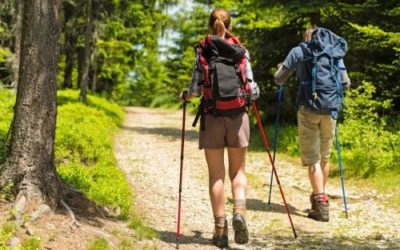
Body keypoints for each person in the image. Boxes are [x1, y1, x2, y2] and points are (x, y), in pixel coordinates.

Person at [180, 7, 259, 248]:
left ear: (210, 25)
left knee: (216, 175)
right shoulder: (241, 51)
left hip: (211, 116)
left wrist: (186, 96)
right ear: (229, 24)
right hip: (238, 117)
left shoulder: (203, 49)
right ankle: (239, 211)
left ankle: (220, 231)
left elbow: (195, 89)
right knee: (238, 172)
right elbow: (252, 89)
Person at [274, 26, 351, 222]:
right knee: (324, 156)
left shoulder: (299, 51)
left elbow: (279, 79)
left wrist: (280, 69)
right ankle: (319, 196)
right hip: (330, 109)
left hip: (308, 108)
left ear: (306, 37)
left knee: (313, 159)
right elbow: (346, 83)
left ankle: (321, 203)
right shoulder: (334, 51)